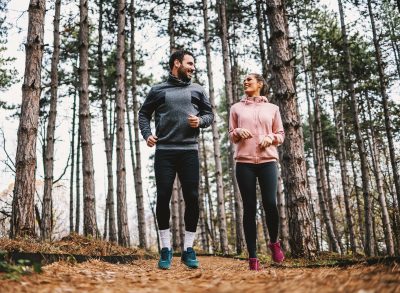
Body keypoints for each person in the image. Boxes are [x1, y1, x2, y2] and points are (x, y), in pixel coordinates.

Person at [139, 49, 213, 270]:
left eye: (194, 64)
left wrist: (200, 121)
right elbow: (144, 114)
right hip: (165, 151)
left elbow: (209, 115)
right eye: (190, 63)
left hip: (189, 151)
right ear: (177, 63)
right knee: (163, 197)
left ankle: (188, 249)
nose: (193, 67)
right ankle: (165, 248)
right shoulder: (158, 90)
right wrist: (147, 134)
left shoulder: (197, 90)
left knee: (192, 197)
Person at [229, 73, 285, 270]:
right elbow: (231, 133)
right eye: (244, 79)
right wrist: (237, 132)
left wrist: (271, 138)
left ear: (260, 84)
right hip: (244, 162)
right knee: (249, 208)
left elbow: (281, 134)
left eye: (249, 79)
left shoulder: (272, 108)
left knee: (270, 203)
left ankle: (274, 242)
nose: (245, 81)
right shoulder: (236, 108)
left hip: (268, 160)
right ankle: (253, 257)